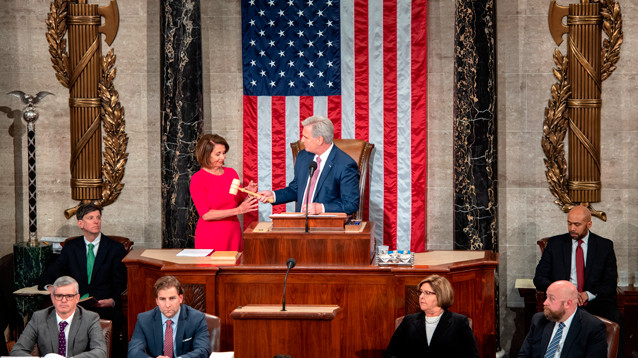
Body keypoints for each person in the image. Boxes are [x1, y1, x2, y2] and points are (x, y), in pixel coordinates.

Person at [533, 205, 623, 356]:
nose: (572, 228)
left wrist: (587, 294)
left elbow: (610, 283)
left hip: (594, 301)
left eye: (577, 224)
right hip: (563, 301)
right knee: (543, 319)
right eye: (569, 223)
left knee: (616, 317)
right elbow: (539, 278)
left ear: (589, 224)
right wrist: (564, 292)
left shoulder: (604, 246)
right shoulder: (555, 244)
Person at [39, 203, 128, 325]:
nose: (96, 221)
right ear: (80, 223)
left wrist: (112, 301)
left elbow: (122, 283)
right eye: (91, 218)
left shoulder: (115, 249)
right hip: (74, 304)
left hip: (102, 307)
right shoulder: (71, 247)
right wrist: (51, 287)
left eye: (98, 217)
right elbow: (51, 273)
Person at [257, 115, 360, 215]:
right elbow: (296, 189)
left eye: (306, 137)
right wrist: (274, 196)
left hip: (326, 226)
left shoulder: (345, 164)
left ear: (319, 140)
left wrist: (321, 208)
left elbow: (351, 204)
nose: (302, 140)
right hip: (299, 224)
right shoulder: (303, 156)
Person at [189, 133, 258, 251]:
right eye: (218, 154)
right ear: (206, 155)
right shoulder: (198, 179)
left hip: (233, 233)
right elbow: (206, 215)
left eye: (224, 153)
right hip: (211, 236)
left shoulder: (231, 173)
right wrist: (238, 210)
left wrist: (250, 194)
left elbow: (241, 201)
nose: (223, 157)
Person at [11, 276, 107, 358]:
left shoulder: (90, 318)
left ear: (77, 298)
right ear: (52, 298)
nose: (64, 300)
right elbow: (17, 351)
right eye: (59, 296)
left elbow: (100, 352)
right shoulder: (39, 317)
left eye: (69, 296)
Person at [384, 275, 478, 358]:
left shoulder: (459, 322)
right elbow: (390, 353)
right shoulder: (409, 321)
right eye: (420, 292)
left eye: (427, 293)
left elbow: (472, 356)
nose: (421, 296)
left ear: (441, 295)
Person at [518, 280, 607, 357]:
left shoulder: (593, 327)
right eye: (546, 297)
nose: (545, 303)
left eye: (551, 299)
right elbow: (524, 355)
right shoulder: (539, 320)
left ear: (568, 304)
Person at [128, 276, 210, 358]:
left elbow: (203, 350)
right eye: (163, 299)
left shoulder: (197, 318)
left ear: (180, 298)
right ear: (157, 301)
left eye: (172, 298)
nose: (167, 305)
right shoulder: (144, 320)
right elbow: (133, 352)